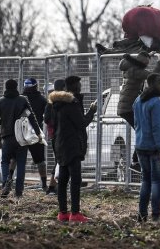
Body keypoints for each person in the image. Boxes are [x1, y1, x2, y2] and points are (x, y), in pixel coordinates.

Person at [49, 76, 95, 223]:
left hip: (60, 145)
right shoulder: (72, 103)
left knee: (62, 180)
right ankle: (75, 213)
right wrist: (92, 111)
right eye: (79, 85)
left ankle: (63, 213)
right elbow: (81, 123)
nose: (81, 87)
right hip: (72, 146)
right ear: (75, 87)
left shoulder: (57, 104)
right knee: (75, 180)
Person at [134, 74, 160, 222]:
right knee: (157, 181)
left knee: (146, 180)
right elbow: (157, 128)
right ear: (151, 84)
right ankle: (156, 215)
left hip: (140, 145)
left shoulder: (138, 100)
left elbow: (137, 124)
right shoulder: (157, 102)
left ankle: (142, 214)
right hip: (156, 148)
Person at [0, 79, 42, 198]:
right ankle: (19, 191)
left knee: (5, 162)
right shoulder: (22, 100)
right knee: (21, 163)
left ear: (6, 87)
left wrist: (0, 131)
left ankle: (5, 183)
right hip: (21, 137)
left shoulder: (0, 101)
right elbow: (32, 117)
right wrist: (38, 133)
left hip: (7, 137)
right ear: (16, 87)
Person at [4, 78, 49, 192]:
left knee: (14, 159)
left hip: (20, 133)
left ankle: (9, 181)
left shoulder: (19, 99)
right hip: (34, 133)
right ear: (36, 86)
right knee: (40, 161)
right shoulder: (42, 100)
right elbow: (47, 115)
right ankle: (44, 185)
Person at [118, 52, 160, 128]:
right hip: (128, 108)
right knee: (142, 130)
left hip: (125, 107)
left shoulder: (131, 67)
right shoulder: (137, 71)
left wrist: (148, 55)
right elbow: (153, 76)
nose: (147, 65)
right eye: (147, 63)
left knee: (141, 129)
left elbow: (140, 60)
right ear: (143, 62)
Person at [43, 78, 66, 195]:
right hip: (60, 135)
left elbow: (46, 118)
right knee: (60, 160)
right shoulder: (63, 100)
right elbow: (47, 118)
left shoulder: (50, 101)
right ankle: (53, 186)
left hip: (53, 135)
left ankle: (53, 185)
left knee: (59, 160)